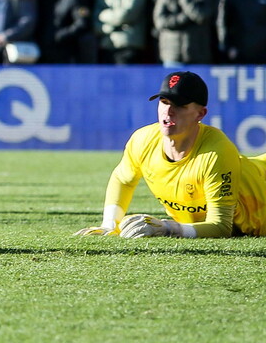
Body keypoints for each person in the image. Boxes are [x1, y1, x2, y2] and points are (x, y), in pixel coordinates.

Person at [75, 72, 266, 238]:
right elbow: (122, 179)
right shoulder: (143, 140)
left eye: (180, 105)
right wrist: (109, 224)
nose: (168, 111)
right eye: (164, 102)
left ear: (200, 114)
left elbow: (222, 226)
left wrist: (169, 228)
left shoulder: (216, 151)